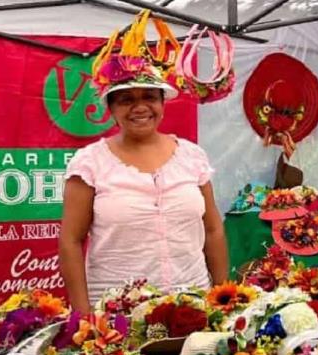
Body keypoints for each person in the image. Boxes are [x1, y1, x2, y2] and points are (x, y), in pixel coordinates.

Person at [59, 16, 229, 314]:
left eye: (150, 97)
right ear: (110, 108)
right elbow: (71, 241)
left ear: (163, 103)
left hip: (192, 305)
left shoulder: (192, 156)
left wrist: (223, 297)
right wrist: (83, 315)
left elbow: (213, 230)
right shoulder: (90, 163)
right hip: (117, 314)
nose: (140, 107)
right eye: (126, 100)